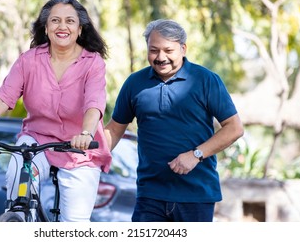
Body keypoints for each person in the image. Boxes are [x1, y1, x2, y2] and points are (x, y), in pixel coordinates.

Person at [0, 0, 112, 222]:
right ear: (46, 28)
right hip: (36, 141)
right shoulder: (29, 60)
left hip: (79, 149)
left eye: (70, 21)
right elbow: (3, 97)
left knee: (75, 224)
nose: (62, 26)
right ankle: (21, 216)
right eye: (55, 20)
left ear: (80, 29)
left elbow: (94, 103)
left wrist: (86, 133)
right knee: (17, 171)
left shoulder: (93, 63)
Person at [104, 19, 244, 222]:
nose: (161, 57)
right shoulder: (134, 83)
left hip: (196, 195)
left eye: (168, 50)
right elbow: (115, 130)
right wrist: (88, 158)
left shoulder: (205, 80)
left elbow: (234, 128)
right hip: (149, 195)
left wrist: (196, 155)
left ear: (183, 48)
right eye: (154, 50)